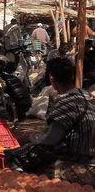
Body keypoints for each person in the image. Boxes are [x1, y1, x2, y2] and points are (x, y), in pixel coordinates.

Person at [24, 57, 95, 185]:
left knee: (31, 172)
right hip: (89, 159)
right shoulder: (85, 96)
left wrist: (32, 139)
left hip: (80, 165)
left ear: (52, 78)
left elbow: (51, 138)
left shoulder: (67, 102)